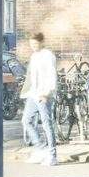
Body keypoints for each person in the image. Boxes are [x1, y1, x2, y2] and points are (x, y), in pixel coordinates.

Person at [20, 34, 59, 166]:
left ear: (42, 42)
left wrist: (47, 93)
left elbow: (52, 75)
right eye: (31, 44)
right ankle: (40, 148)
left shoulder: (48, 55)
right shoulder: (34, 56)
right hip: (33, 95)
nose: (33, 47)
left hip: (44, 95)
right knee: (26, 120)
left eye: (35, 44)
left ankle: (52, 155)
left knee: (47, 124)